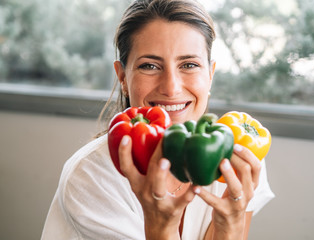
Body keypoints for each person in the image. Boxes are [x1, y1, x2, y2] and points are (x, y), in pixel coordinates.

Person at [41, 0, 275, 239]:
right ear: (122, 78)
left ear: (210, 75)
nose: (171, 88)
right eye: (150, 66)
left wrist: (230, 223)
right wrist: (160, 228)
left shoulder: (238, 155)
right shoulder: (92, 176)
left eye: (190, 64)